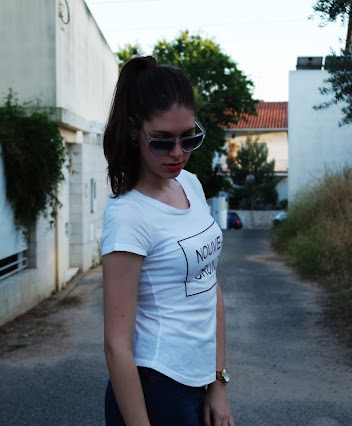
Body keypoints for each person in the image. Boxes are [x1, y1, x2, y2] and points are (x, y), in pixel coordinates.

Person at [101, 55, 234, 426]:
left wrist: (218, 382)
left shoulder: (189, 183)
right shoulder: (129, 215)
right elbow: (116, 344)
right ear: (134, 130)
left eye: (189, 138)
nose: (178, 153)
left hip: (199, 381)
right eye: (162, 142)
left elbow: (210, 287)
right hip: (155, 389)